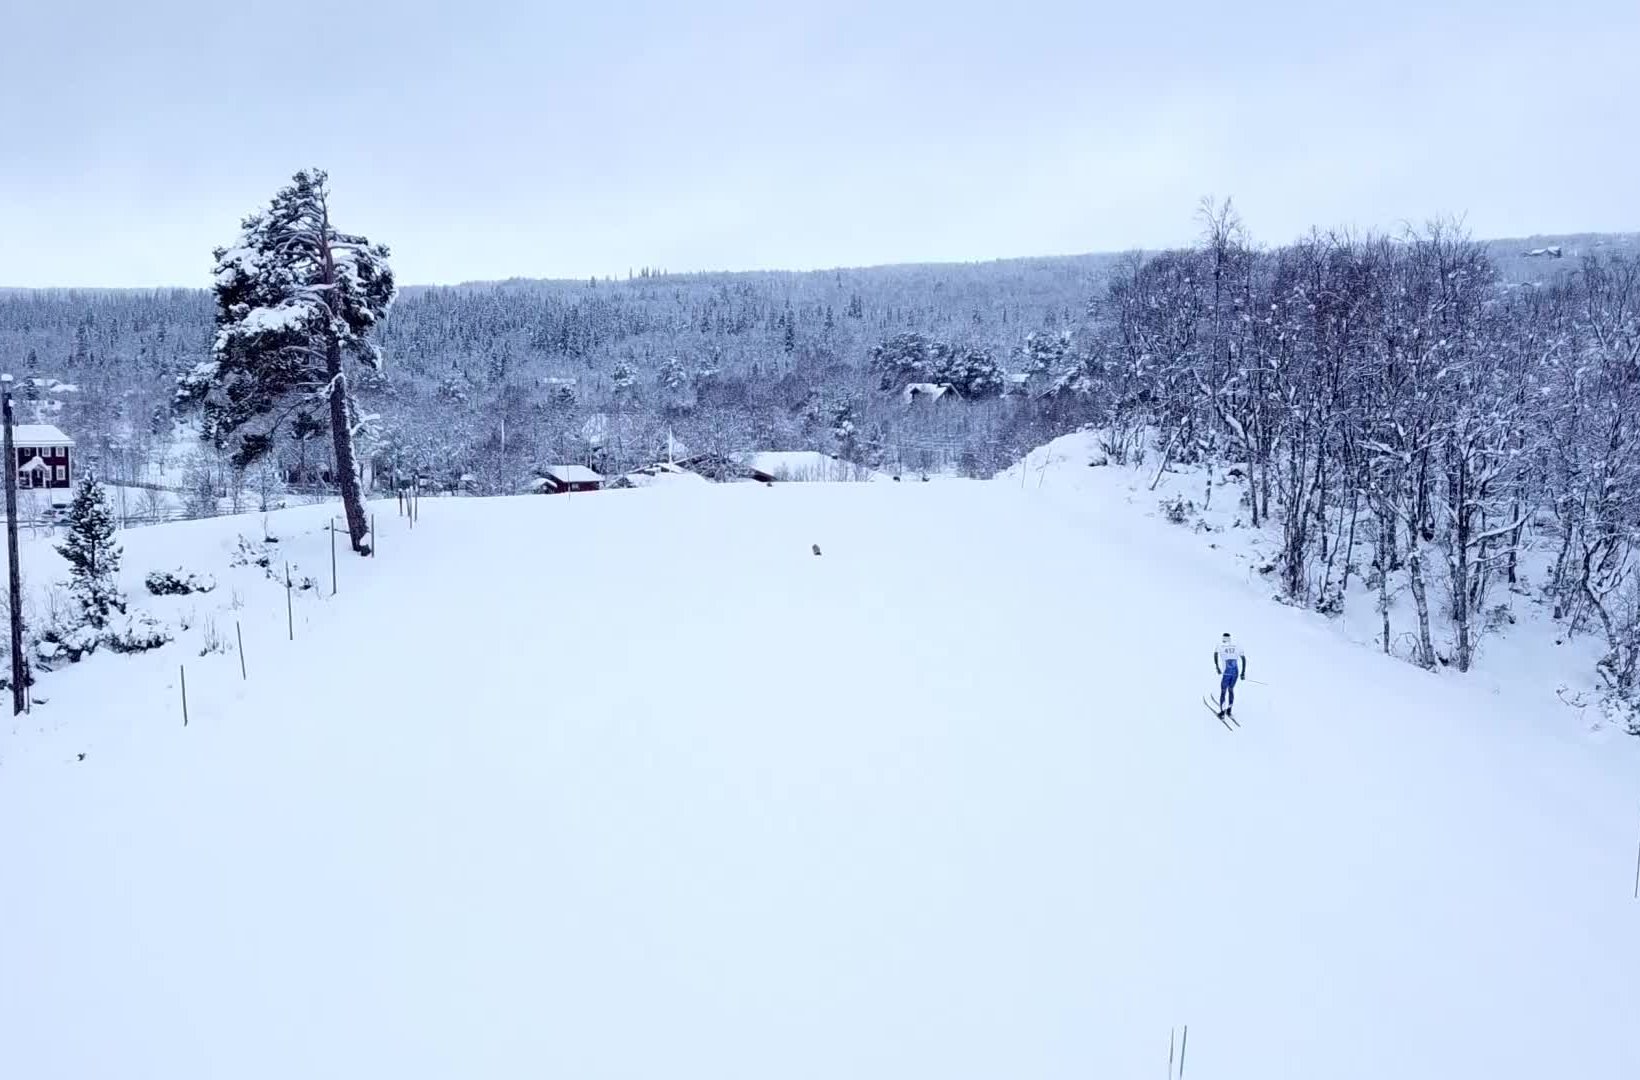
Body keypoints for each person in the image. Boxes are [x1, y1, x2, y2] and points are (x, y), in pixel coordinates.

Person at [1213, 633, 1245, 718]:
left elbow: (1215, 655)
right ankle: (1229, 711)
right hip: (1235, 673)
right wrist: (1243, 673)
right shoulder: (1237, 645)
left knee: (1223, 691)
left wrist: (1217, 667)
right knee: (1231, 689)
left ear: (1223, 638)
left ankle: (1222, 713)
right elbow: (1243, 658)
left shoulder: (1219, 645)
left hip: (1227, 673)